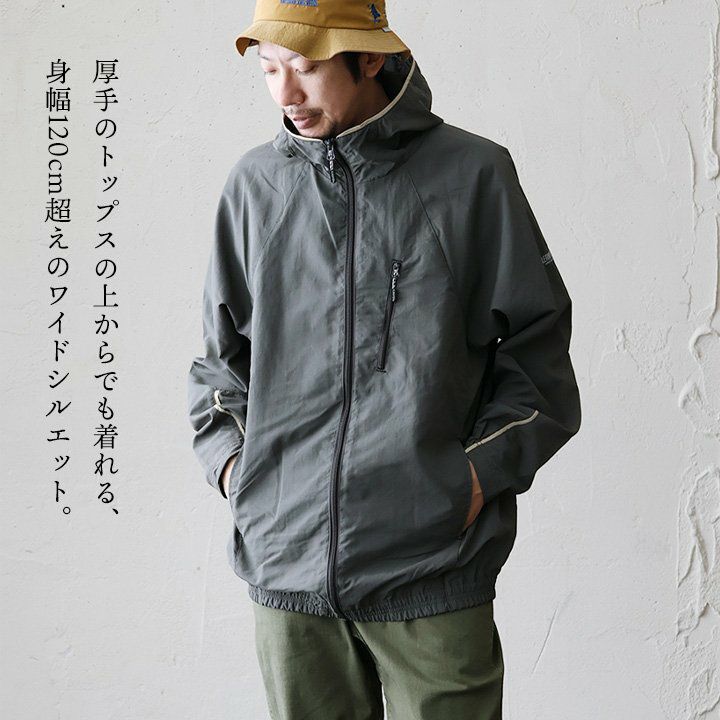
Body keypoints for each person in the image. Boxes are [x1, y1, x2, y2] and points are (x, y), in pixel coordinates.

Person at [186, 1, 582, 717]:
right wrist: (241, 475)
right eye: (269, 70)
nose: (285, 93)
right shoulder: (255, 186)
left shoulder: (473, 175)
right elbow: (219, 364)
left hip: (432, 570)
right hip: (288, 572)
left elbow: (538, 354)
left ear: (370, 58)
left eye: (305, 67)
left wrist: (468, 480)